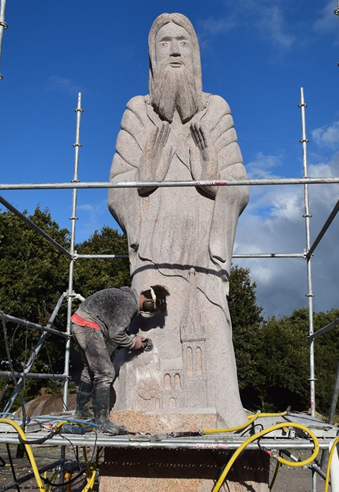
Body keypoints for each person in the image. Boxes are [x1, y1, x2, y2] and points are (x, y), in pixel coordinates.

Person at [108, 13, 249, 427]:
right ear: (152, 56)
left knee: (211, 336)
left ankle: (224, 414)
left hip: (203, 252)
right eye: (164, 42)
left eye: (182, 41)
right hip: (154, 252)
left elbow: (239, 187)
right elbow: (117, 191)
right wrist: (146, 171)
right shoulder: (138, 112)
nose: (173, 49)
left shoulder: (216, 109)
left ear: (195, 52)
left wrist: (211, 174)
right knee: (152, 339)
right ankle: (145, 413)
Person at [71, 285, 169, 434]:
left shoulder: (126, 298)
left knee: (92, 370)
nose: (152, 312)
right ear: (149, 302)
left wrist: (132, 338)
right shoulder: (129, 303)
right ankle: (103, 422)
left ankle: (82, 411)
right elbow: (116, 334)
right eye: (153, 309)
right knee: (105, 372)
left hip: (83, 323)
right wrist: (133, 343)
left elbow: (116, 328)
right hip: (88, 326)